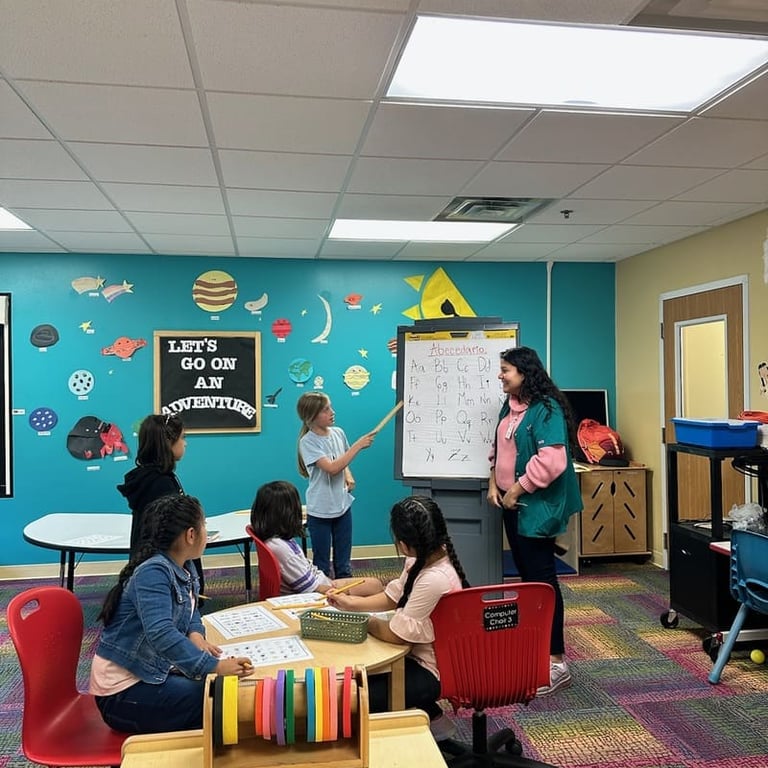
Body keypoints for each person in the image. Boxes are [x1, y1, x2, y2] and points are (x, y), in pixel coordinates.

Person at [89, 494, 251, 734]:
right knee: (218, 699)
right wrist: (213, 666)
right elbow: (161, 633)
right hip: (120, 695)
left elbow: (192, 607)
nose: (207, 531)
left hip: (150, 674)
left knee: (218, 689)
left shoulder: (184, 564)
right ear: (191, 535)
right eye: (204, 525)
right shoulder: (153, 572)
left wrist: (195, 633)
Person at [327, 495, 469, 742]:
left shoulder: (434, 578)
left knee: (350, 693)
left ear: (403, 544)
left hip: (433, 669)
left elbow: (396, 635)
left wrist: (366, 621)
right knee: (355, 673)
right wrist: (352, 604)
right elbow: (392, 598)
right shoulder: (424, 557)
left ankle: (404, 733)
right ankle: (433, 720)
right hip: (419, 654)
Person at [487, 346, 582, 697]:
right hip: (513, 504)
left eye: (506, 369)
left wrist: (516, 490)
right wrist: (492, 483)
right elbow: (499, 448)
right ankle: (536, 651)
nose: (501, 375)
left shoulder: (546, 409)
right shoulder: (509, 405)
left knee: (542, 582)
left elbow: (552, 461)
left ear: (525, 373)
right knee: (528, 580)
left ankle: (557, 661)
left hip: (534, 505)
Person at [118, 413, 205, 595]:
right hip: (162, 569)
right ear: (168, 442)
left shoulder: (151, 478)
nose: (185, 443)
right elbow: (169, 532)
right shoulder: (160, 484)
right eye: (182, 438)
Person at [249, 479, 382, 596]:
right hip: (319, 592)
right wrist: (340, 592)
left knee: (377, 586)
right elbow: (310, 588)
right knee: (375, 586)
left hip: (321, 582)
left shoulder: (276, 540)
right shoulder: (281, 548)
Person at [296, 392, 376, 578]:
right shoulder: (307, 442)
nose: (332, 412)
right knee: (322, 563)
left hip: (342, 506)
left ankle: (346, 599)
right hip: (320, 511)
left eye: (331, 407)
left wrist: (348, 475)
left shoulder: (338, 433)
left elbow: (342, 460)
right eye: (326, 409)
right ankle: (323, 600)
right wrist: (358, 445)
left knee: (344, 562)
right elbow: (331, 468)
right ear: (312, 416)